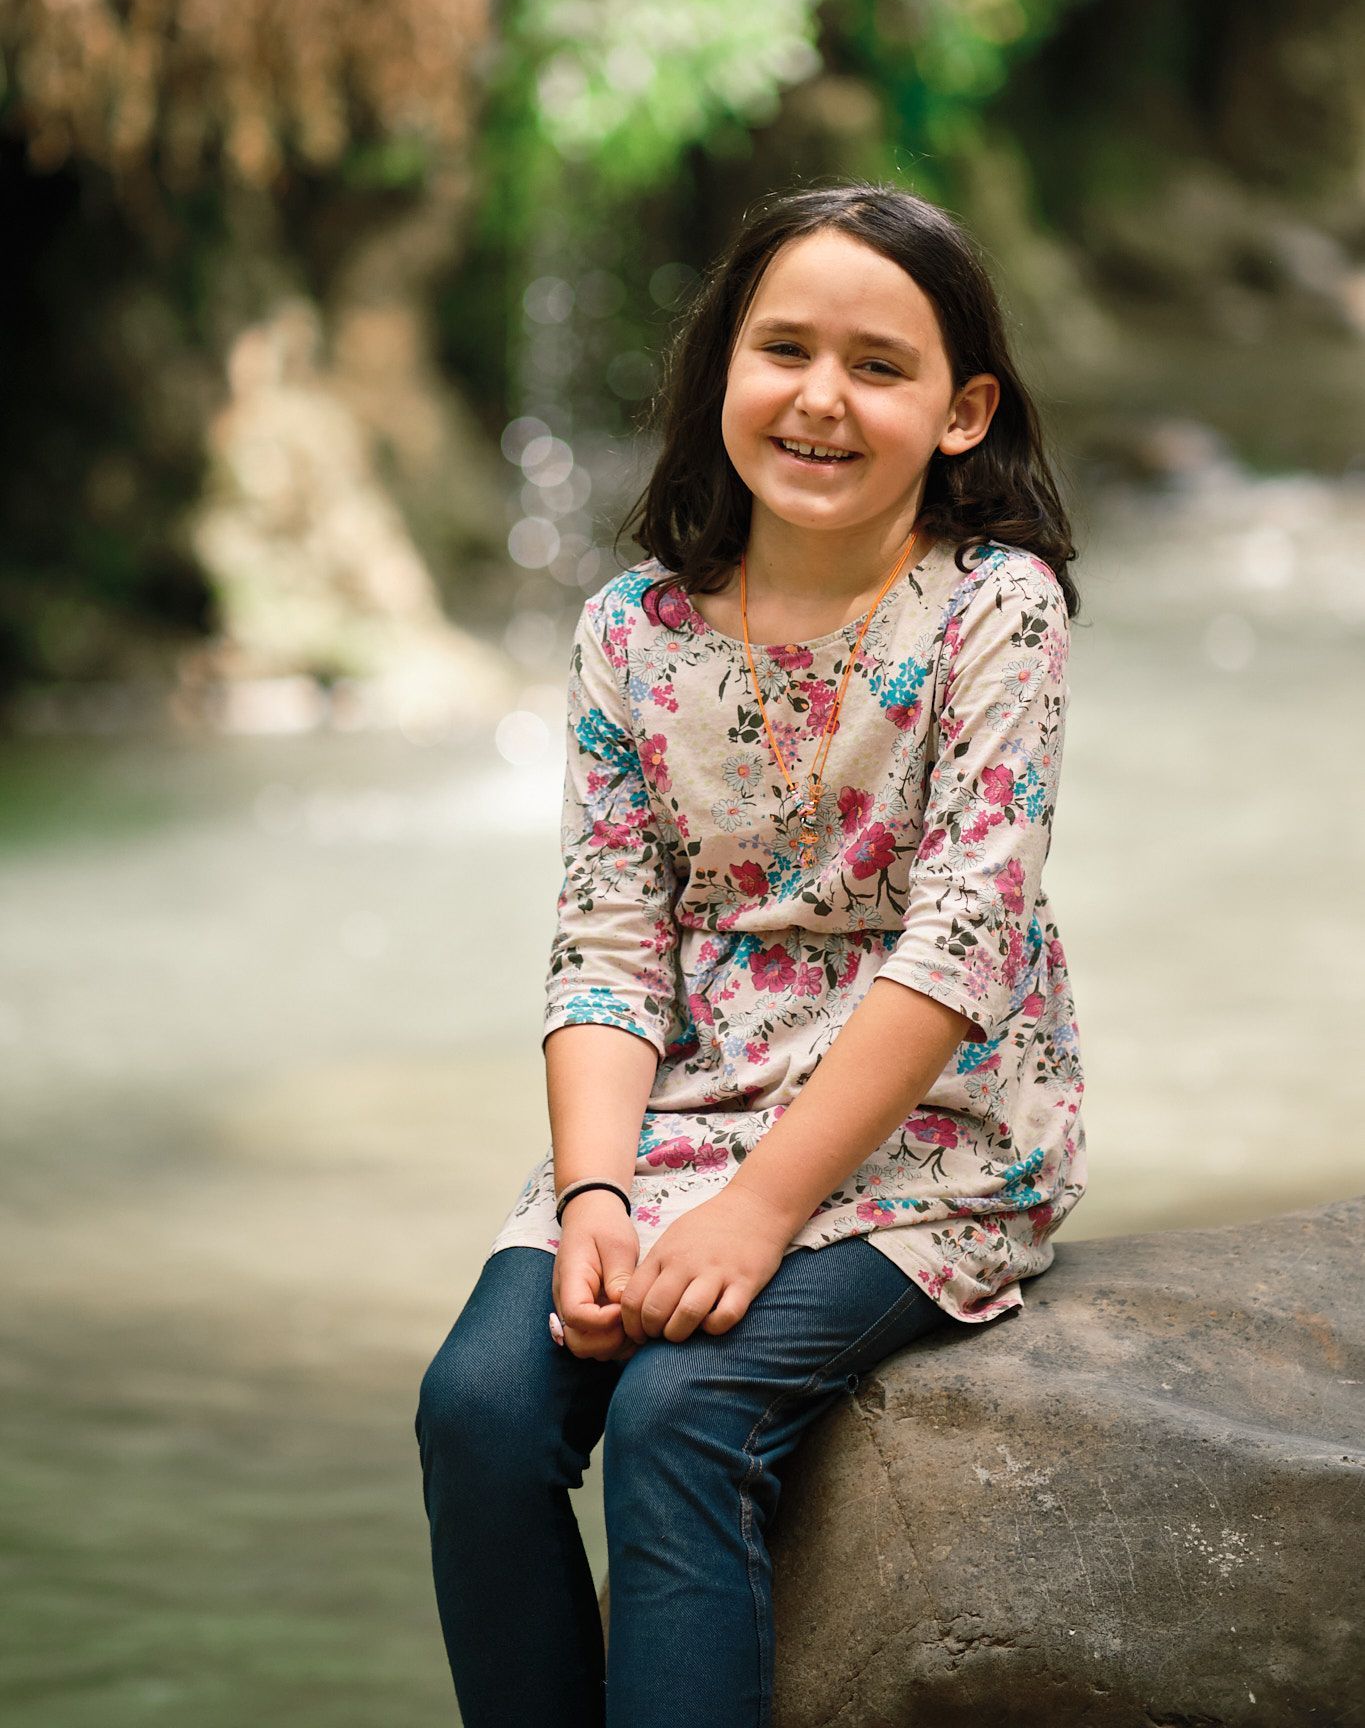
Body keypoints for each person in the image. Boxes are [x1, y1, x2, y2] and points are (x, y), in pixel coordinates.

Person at [414, 181, 1087, 1727]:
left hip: (930, 1127)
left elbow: (962, 943)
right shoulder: (632, 629)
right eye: (782, 349)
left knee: (679, 1411)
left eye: (879, 365)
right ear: (722, 365)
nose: (820, 400)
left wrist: (757, 1213)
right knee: (479, 1409)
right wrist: (594, 1194)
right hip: (677, 1118)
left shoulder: (994, 609)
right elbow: (603, 942)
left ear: (962, 409)